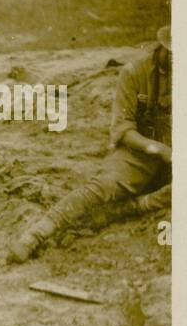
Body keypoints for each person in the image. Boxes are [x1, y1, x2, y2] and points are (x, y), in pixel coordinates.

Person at [9, 25, 172, 262]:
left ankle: (134, 207)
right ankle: (39, 231)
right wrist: (160, 150)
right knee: (103, 186)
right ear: (163, 47)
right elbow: (123, 128)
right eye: (174, 53)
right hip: (141, 149)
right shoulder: (135, 72)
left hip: (181, 153)